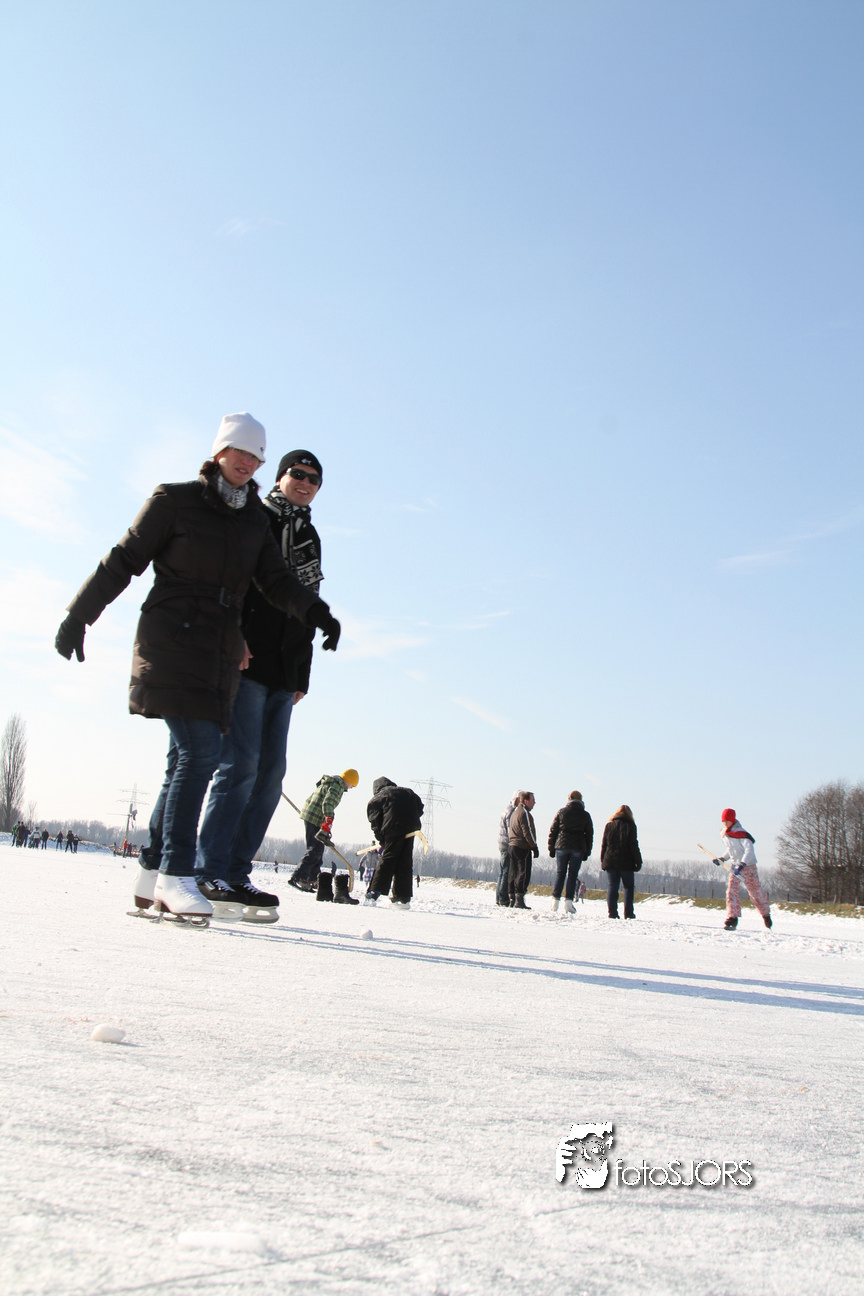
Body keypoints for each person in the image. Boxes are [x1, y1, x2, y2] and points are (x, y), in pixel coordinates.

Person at [55, 411, 340, 923]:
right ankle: (179, 873)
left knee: (186, 761)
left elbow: (276, 581)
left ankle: (152, 871)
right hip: (172, 639)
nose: (247, 462)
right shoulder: (175, 500)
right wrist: (80, 615)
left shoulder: (251, 520)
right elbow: (124, 559)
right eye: (241, 452)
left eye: (255, 455)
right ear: (219, 452)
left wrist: (317, 613)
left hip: (219, 651)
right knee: (203, 753)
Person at [195, 449, 334, 920]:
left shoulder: (309, 537)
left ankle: (236, 873)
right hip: (246, 661)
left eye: (314, 479)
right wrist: (232, 638)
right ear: (279, 477)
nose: (305, 482)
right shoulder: (254, 518)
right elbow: (232, 584)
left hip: (284, 671)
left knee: (271, 776)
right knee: (240, 767)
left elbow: (309, 603)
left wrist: (303, 675)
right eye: (297, 473)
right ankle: (207, 870)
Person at [288, 768, 359, 903]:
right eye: (352, 785)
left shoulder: (331, 782)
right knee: (315, 849)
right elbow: (327, 803)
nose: (351, 788)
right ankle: (298, 876)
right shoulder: (337, 786)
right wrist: (329, 819)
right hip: (314, 817)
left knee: (318, 849)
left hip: (311, 815)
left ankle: (312, 879)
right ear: (349, 780)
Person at [364, 777, 424, 907]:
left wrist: (382, 839)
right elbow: (420, 808)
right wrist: (408, 819)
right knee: (405, 860)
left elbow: (375, 821)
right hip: (412, 827)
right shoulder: (408, 791)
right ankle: (403, 898)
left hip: (393, 827)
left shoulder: (378, 798)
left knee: (388, 858)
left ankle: (373, 893)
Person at [713, 808, 772, 931]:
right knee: (731, 891)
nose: (725, 823)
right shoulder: (725, 834)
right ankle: (732, 918)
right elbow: (731, 850)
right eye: (723, 821)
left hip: (748, 867)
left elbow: (749, 851)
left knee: (755, 892)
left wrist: (742, 864)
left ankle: (766, 914)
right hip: (735, 867)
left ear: (732, 820)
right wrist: (722, 859)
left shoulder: (741, 833)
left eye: (727, 821)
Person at [548, 791, 594, 913]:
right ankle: (568, 903)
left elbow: (553, 830)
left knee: (560, 873)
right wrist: (587, 851)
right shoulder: (585, 815)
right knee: (572, 875)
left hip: (561, 846)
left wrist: (551, 848)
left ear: (569, 799)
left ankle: (555, 902)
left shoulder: (561, 812)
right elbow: (589, 835)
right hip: (578, 847)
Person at [600, 804, 642, 919]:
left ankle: (612, 913)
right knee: (628, 887)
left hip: (610, 861)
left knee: (612, 887)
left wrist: (603, 860)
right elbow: (634, 845)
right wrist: (638, 861)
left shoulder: (609, 826)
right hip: (626, 862)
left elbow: (604, 844)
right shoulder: (631, 826)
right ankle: (628, 913)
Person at [508, 791, 539, 909]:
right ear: (526, 801)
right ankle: (519, 899)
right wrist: (534, 846)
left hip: (512, 845)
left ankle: (512, 898)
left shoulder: (515, 812)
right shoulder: (524, 813)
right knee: (522, 872)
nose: (534, 803)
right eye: (533, 800)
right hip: (521, 846)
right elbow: (527, 831)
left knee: (513, 872)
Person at [496, 791, 521, 906]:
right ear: (516, 799)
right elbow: (511, 828)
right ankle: (503, 898)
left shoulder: (507, 809)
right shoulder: (511, 811)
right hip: (507, 844)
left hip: (502, 842)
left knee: (502, 872)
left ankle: (499, 897)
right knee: (506, 871)